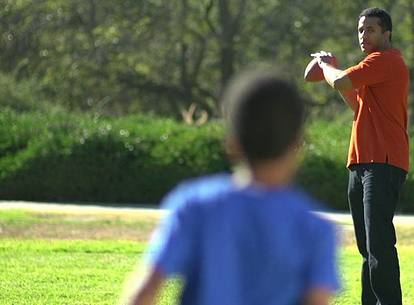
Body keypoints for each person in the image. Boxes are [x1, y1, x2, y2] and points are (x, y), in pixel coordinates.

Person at [120, 71, 341, 305]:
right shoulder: (316, 230)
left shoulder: (194, 205)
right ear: (298, 144)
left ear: (232, 143)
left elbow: (142, 295)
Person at [307, 7, 409, 305]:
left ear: (386, 35)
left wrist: (326, 65)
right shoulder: (372, 69)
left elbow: (338, 81)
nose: (364, 35)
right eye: (361, 30)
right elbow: (355, 101)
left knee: (379, 244)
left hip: (383, 163)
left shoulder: (385, 61)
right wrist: (333, 68)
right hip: (362, 163)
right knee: (367, 247)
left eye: (371, 30)